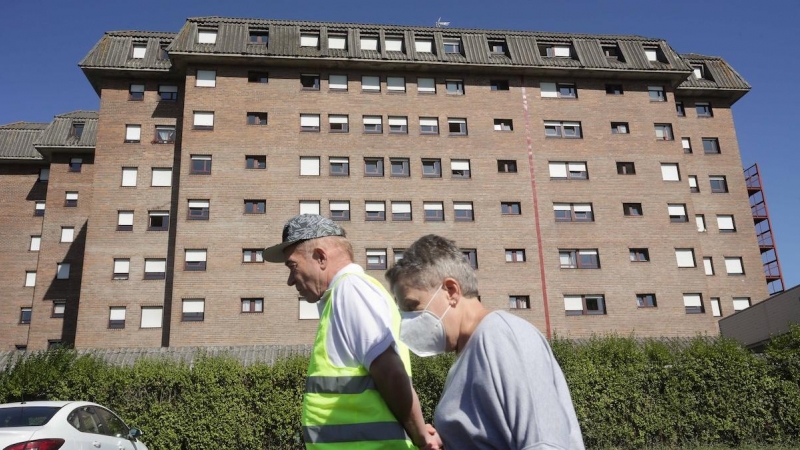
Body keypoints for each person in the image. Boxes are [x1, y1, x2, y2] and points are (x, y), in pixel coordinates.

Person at [385, 234, 586, 450]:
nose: (405, 320)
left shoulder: (500, 336)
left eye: (411, 306)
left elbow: (545, 444)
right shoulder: (467, 355)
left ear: (451, 291)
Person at [263, 214, 440, 449]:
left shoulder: (351, 290)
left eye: (293, 266)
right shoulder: (345, 294)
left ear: (320, 257)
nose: (289, 280)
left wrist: (421, 437)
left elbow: (389, 371)